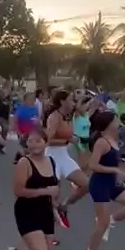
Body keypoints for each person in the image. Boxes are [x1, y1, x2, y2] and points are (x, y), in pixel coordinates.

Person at [81, 111, 125, 250]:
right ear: (108, 124)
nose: (118, 122)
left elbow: (110, 160)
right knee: (101, 224)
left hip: (113, 183)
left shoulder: (113, 139)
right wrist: (115, 170)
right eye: (115, 120)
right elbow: (93, 165)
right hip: (100, 184)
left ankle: (112, 220)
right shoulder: (102, 142)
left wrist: (123, 164)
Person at [6, 128, 59, 250]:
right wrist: (45, 191)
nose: (34, 144)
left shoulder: (51, 161)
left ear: (46, 142)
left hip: (46, 210)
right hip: (27, 211)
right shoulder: (24, 162)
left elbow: (54, 189)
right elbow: (18, 191)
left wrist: (55, 208)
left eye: (38, 141)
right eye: (30, 141)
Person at [45, 89, 88, 227]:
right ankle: (47, 229)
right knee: (53, 195)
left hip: (64, 156)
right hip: (52, 157)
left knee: (87, 184)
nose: (73, 102)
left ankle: (64, 206)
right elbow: (47, 140)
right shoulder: (54, 117)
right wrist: (68, 140)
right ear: (62, 101)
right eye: (70, 99)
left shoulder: (68, 117)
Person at [72, 96, 92, 171]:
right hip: (78, 140)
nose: (87, 107)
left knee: (87, 161)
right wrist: (81, 98)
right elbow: (78, 107)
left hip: (87, 139)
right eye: (85, 105)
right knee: (81, 160)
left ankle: (84, 175)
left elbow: (94, 105)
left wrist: (91, 100)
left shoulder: (87, 115)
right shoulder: (76, 116)